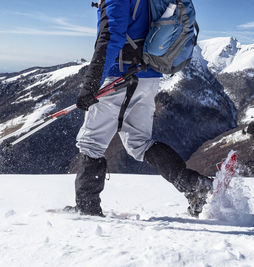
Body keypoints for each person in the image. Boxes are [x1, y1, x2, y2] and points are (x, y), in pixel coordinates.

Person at [71, 0, 212, 217]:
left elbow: (111, 37)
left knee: (91, 143)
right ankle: (193, 184)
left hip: (121, 78)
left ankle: (86, 210)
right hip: (147, 78)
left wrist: (91, 84)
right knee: (140, 142)